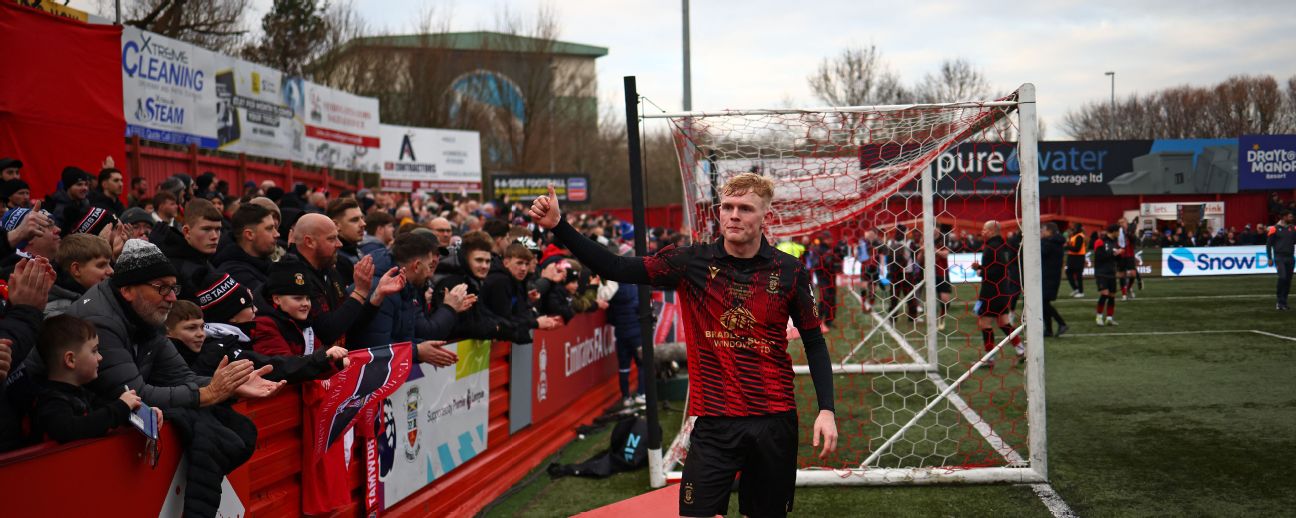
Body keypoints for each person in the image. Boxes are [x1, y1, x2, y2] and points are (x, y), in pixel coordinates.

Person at [531, 173, 836, 518]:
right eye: (728, 207)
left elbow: (814, 342)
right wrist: (559, 225)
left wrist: (827, 409)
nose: (734, 215)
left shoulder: (790, 270)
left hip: (774, 421)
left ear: (765, 214)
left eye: (746, 208)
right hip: (714, 423)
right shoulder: (690, 262)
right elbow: (615, 266)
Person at [169, 279, 347, 382]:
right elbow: (275, 366)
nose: (256, 310)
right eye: (249, 306)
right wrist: (320, 358)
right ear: (231, 315)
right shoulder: (219, 348)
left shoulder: (226, 342)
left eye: (200, 327)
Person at [31, 314, 153, 443]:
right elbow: (71, 430)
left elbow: (105, 416)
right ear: (71, 360)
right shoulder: (51, 401)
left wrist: (144, 415)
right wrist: (121, 407)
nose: (100, 357)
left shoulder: (83, 393)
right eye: (94, 351)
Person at [354, 232, 471, 365]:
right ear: (416, 266)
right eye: (428, 266)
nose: (429, 272)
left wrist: (421, 347)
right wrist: (417, 351)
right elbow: (375, 347)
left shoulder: (407, 287)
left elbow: (404, 336)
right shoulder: (384, 290)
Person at [969, 220, 1024, 368]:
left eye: (984, 229)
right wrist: (981, 267)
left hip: (991, 291)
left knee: (984, 323)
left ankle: (989, 358)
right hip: (1003, 290)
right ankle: (1021, 350)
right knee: (1003, 322)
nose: (982, 231)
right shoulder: (1002, 246)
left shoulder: (992, 247)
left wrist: (980, 270)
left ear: (992, 231)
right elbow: (998, 268)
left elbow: (996, 271)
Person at [155, 199, 223, 302]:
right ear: (187, 232)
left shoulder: (202, 258)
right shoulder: (174, 269)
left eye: (218, 229)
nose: (214, 236)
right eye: (206, 229)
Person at [213, 203, 279, 293]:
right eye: (269, 228)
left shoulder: (264, 264)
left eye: (275, 228)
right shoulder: (234, 274)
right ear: (249, 235)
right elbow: (271, 301)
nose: (277, 234)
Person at [46, 234, 114, 318]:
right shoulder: (61, 314)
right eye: (101, 265)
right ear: (76, 269)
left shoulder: (91, 296)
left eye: (109, 264)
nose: (111, 271)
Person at [1040, 222, 1069, 337]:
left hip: (1049, 276)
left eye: (1043, 230)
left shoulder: (1049, 242)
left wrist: (1040, 241)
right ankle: (1049, 330)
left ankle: (1061, 323)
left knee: (1043, 302)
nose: (1042, 232)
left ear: (1049, 231)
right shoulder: (1055, 242)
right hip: (1051, 275)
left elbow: (1041, 253)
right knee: (1044, 303)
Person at [326, 197, 364, 283]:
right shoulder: (335, 259)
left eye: (362, 218)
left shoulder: (355, 250)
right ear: (336, 225)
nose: (363, 224)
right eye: (355, 220)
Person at [1266, 210, 1296, 310]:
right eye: (1290, 216)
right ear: (1283, 217)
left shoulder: (1293, 228)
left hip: (1291, 257)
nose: (1291, 218)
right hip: (1279, 257)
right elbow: (1268, 245)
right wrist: (1269, 258)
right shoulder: (1274, 229)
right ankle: (1279, 302)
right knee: (1282, 277)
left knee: (1288, 280)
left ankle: (1284, 302)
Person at [1092, 225, 1121, 326]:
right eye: (1118, 231)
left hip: (1111, 272)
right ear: (1113, 231)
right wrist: (1114, 254)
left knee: (1112, 295)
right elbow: (1099, 257)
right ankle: (1099, 316)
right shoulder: (1100, 241)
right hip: (1101, 272)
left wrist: (1119, 254)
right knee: (1104, 294)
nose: (1119, 234)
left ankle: (1109, 318)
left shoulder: (1115, 242)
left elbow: (1115, 258)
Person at [1116, 217, 1138, 300]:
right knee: (1121, 275)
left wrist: (1128, 233)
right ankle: (1124, 294)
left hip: (1130, 255)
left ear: (1126, 223)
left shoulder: (1130, 232)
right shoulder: (1117, 232)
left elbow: (1134, 240)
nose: (1121, 224)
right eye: (1120, 222)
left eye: (1123, 222)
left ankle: (1128, 288)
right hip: (1121, 255)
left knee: (1133, 274)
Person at [1065, 223, 1086, 298]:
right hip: (1072, 257)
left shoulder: (1079, 236)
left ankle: (1081, 291)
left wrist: (1067, 246)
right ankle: (1076, 289)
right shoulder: (1074, 235)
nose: (1073, 229)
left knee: (1078, 274)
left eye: (1075, 227)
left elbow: (1077, 249)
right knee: (1068, 272)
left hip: (1078, 257)